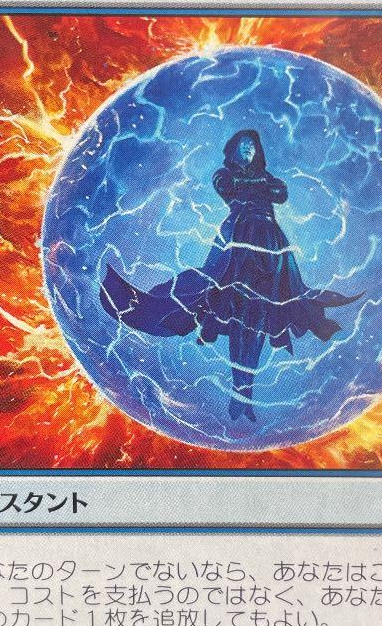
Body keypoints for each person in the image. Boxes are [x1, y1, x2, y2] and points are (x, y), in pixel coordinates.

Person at [101, 128, 359, 421]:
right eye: (243, 144)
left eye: (253, 145)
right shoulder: (225, 175)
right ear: (233, 150)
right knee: (239, 311)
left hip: (271, 242)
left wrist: (260, 183)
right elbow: (230, 188)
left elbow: (281, 192)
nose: (248, 149)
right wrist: (259, 184)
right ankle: (240, 391)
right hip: (238, 239)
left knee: (261, 314)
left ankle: (244, 395)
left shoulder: (264, 177)